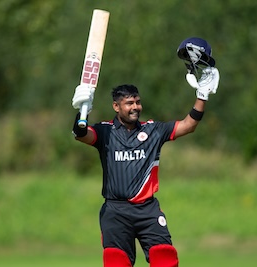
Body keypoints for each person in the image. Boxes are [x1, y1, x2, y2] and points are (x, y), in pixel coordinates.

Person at [70, 38, 220, 267]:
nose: (135, 107)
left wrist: (202, 96)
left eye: (137, 102)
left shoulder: (153, 130)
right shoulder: (105, 132)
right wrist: (82, 110)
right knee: (116, 262)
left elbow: (189, 125)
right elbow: (81, 134)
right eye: (129, 103)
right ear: (116, 107)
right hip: (115, 210)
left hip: (147, 210)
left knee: (165, 259)